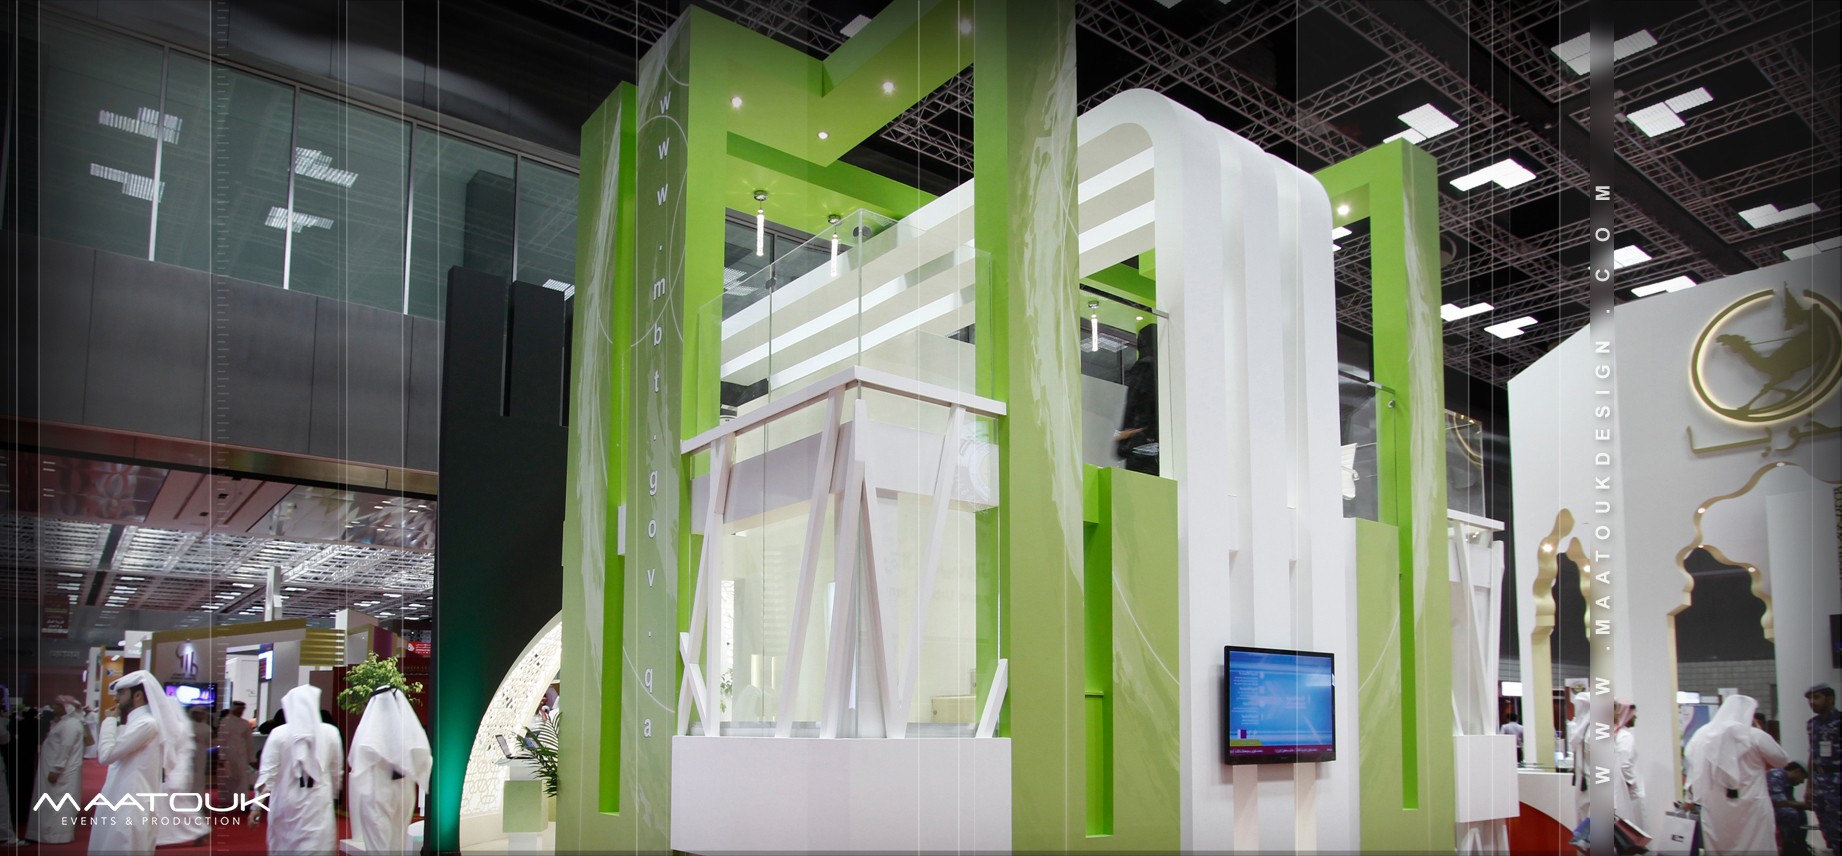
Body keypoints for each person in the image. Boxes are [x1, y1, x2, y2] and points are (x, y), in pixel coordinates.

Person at [91, 671, 194, 855]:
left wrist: (109, 721)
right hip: (122, 797)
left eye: (121, 693)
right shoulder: (138, 722)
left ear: (137, 695)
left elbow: (106, 756)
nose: (116, 698)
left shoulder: (146, 724)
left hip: (131, 803)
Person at [1685, 693, 1791, 855]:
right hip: (1752, 805)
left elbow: (1692, 764)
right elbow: (1782, 760)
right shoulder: (1755, 735)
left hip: (1715, 806)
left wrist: (1689, 798)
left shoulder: (1702, 735)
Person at [256, 685, 343, 854]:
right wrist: (333, 797)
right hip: (319, 803)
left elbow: (267, 774)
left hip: (285, 804)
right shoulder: (331, 733)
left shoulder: (278, 734)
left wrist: (256, 807)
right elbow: (336, 772)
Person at [348, 687, 430, 853]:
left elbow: (357, 759)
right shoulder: (410, 730)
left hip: (377, 791)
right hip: (404, 791)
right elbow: (423, 759)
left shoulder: (370, 731)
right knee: (397, 842)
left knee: (379, 845)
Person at [23, 697, 86, 843]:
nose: (53, 707)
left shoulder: (71, 724)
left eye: (57, 705)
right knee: (49, 802)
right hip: (54, 768)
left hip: (62, 772)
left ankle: (56, 836)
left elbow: (66, 747)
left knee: (58, 803)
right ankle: (45, 834)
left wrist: (57, 769)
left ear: (66, 707)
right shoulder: (64, 722)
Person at [1113, 323, 1160, 476]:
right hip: (1151, 448)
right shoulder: (1159, 369)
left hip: (1140, 448)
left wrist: (1126, 438)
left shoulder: (1143, 369)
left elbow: (1132, 407)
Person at [1806, 683, 1838, 855]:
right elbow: (1812, 755)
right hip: (1820, 782)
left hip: (1837, 780)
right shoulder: (1812, 725)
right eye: (1809, 699)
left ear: (1830, 698)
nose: (1812, 702)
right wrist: (1809, 786)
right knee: (1826, 828)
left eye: (1816, 697)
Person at [1611, 700, 1647, 829]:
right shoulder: (1625, 736)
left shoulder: (1617, 735)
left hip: (1622, 793)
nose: (1635, 717)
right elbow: (1624, 765)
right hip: (1630, 795)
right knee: (1635, 829)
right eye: (1633, 714)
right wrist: (1632, 785)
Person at [1767, 761, 1810, 856]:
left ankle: (1800, 845)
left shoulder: (1788, 782)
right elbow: (1779, 802)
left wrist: (1805, 806)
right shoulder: (1776, 775)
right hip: (1767, 808)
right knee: (1790, 813)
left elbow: (1790, 802)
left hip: (1776, 807)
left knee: (1801, 814)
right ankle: (1789, 846)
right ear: (1798, 772)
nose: (1802, 782)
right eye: (1803, 778)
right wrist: (1805, 804)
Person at [218, 701, 254, 804]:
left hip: (242, 755)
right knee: (228, 779)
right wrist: (222, 756)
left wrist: (251, 758)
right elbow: (222, 740)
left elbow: (249, 742)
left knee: (243, 778)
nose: (240, 712)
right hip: (228, 755)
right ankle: (227, 801)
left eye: (242, 710)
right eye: (239, 710)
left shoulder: (245, 723)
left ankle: (242, 802)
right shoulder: (225, 722)